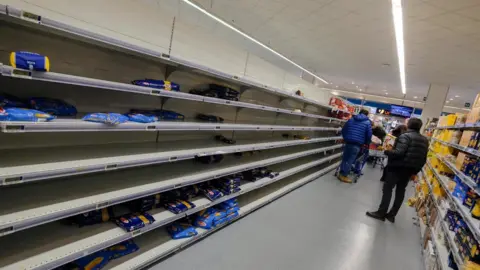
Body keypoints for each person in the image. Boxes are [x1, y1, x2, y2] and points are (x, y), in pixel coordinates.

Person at [366, 118, 429, 223]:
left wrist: (387, 151)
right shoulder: (424, 140)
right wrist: (415, 172)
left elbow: (398, 153)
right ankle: (391, 215)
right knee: (400, 192)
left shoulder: (405, 136)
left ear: (409, 125)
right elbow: (423, 159)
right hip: (409, 171)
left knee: (387, 189)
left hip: (397, 168)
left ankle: (381, 213)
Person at [338, 109, 372, 183]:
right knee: (351, 160)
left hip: (348, 142)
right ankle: (344, 175)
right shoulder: (367, 122)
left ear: (359, 113)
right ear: (367, 115)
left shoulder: (351, 120)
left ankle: (341, 172)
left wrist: (346, 138)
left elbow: (344, 130)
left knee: (345, 158)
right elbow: (369, 135)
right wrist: (367, 142)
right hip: (357, 144)